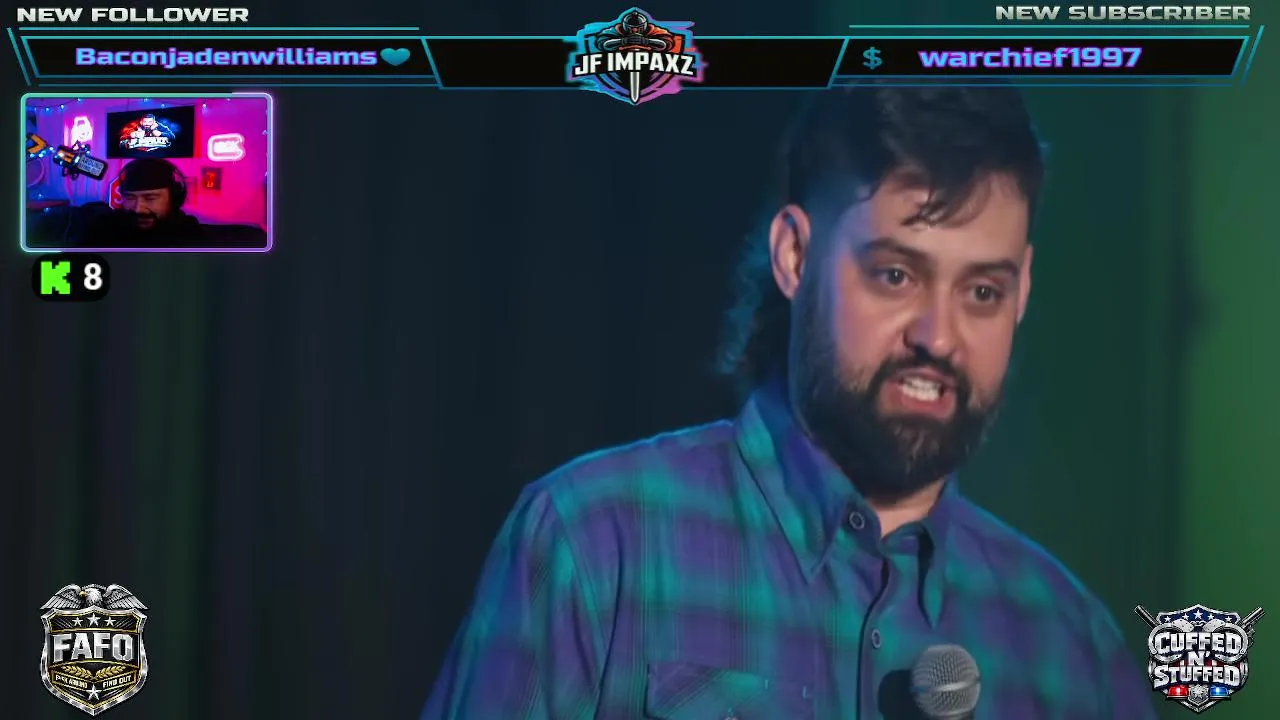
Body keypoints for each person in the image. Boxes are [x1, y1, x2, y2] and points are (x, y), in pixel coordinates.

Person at [422, 84, 1158, 719]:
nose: (939, 337)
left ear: (1023, 292)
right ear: (794, 256)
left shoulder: (1073, 648)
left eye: (983, 292)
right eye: (896, 276)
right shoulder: (595, 544)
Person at [83, 157, 210, 247]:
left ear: (174, 198)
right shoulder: (104, 230)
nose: (138, 209)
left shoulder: (194, 238)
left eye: (150, 198)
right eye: (130, 198)